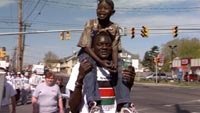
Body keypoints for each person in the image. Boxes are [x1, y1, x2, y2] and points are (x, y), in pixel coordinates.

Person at [77, 0, 134, 112]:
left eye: (105, 8)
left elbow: (114, 48)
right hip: (88, 53)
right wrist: (101, 62)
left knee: (121, 67)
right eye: (99, 8)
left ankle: (124, 105)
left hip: (106, 55)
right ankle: (93, 103)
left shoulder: (114, 28)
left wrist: (114, 63)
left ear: (112, 12)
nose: (101, 11)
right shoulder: (90, 23)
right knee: (89, 66)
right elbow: (86, 46)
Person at [67, 31, 137, 113]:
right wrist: (80, 79)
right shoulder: (81, 67)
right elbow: (73, 108)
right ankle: (94, 106)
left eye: (108, 45)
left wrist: (129, 83)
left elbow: (121, 97)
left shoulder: (117, 69)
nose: (104, 47)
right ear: (92, 48)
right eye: (99, 44)